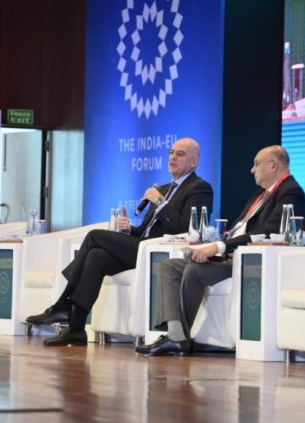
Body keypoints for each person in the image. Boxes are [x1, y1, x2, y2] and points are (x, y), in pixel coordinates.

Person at [26, 137, 213, 346]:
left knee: (95, 236)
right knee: (96, 257)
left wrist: (160, 202)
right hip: (141, 247)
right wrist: (129, 229)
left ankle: (62, 304)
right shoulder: (163, 188)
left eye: (180, 154)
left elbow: (186, 228)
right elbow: (143, 232)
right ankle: (76, 329)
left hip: (158, 253)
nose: (173, 157)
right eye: (171, 152)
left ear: (194, 162)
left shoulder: (199, 188)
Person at [135, 145, 305, 356]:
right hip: (228, 253)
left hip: (247, 260)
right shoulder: (260, 195)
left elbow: (269, 232)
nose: (252, 170)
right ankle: (176, 335)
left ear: (273, 165)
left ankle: (179, 339)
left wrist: (219, 247)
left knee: (194, 270)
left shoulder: (290, 192)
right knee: (169, 267)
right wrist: (215, 243)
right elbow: (239, 228)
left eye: (256, 164)